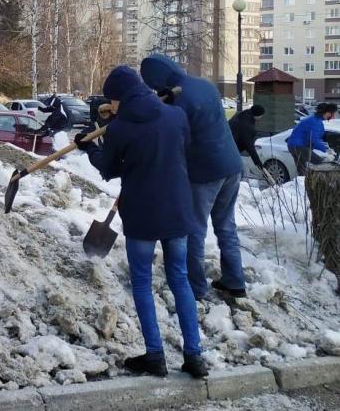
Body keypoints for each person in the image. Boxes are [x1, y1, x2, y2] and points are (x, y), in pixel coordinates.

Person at [75, 66, 207, 379]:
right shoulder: (175, 116)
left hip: (142, 215)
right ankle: (195, 356)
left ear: (120, 98)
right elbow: (180, 150)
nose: (112, 107)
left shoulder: (120, 128)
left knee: (143, 284)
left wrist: (90, 147)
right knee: (180, 279)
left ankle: (156, 356)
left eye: (112, 101)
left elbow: (109, 169)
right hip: (177, 211)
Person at [140, 54, 246, 301]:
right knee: (226, 226)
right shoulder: (204, 84)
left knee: (194, 230)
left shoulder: (177, 100)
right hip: (231, 165)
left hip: (205, 172)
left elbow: (171, 138)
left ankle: (196, 288)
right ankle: (235, 282)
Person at [286, 102, 338, 175]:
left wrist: (326, 147)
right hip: (299, 146)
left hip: (294, 145)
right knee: (322, 162)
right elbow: (314, 140)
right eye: (332, 114)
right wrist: (326, 150)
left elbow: (316, 138)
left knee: (302, 169)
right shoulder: (315, 122)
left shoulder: (315, 119)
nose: (333, 117)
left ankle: (304, 182)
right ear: (326, 113)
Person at [228, 105, 266, 176]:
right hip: (230, 151)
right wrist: (258, 163)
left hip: (225, 146)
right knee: (242, 172)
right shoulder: (248, 126)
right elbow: (250, 147)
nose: (261, 117)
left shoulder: (240, 116)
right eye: (261, 115)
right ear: (257, 115)